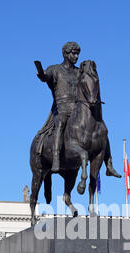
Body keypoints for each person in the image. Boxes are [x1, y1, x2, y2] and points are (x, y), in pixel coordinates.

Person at [35, 42, 121, 177]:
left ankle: (109, 164)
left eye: (77, 54)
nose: (76, 56)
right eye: (73, 53)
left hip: (79, 109)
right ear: (65, 54)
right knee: (61, 122)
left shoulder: (78, 72)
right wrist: (41, 74)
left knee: (100, 128)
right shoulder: (55, 69)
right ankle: (56, 159)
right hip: (62, 109)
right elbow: (46, 77)